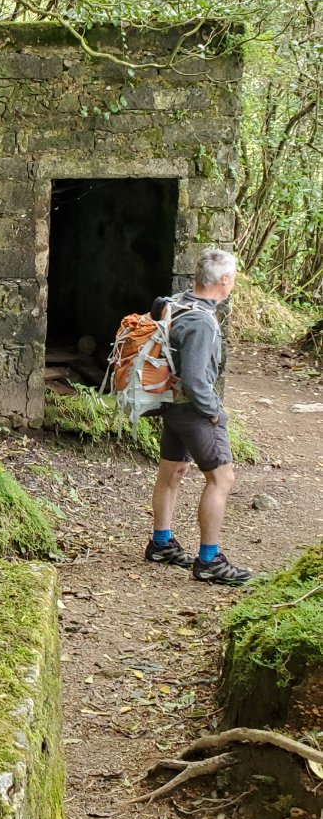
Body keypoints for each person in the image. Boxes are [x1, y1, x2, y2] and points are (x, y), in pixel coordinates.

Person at [142, 247, 251, 586]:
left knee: (171, 472)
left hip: (170, 405)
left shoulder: (174, 303)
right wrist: (214, 413)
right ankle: (209, 560)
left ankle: (161, 543)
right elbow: (194, 376)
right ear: (224, 279)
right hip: (194, 410)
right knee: (222, 479)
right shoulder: (203, 322)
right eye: (232, 279)